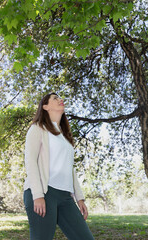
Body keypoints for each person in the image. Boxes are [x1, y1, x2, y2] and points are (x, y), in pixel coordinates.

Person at [23, 92, 94, 240]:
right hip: (44, 193)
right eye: (55, 98)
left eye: (61, 98)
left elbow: (70, 169)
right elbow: (31, 162)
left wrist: (79, 198)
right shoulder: (37, 128)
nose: (61, 100)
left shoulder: (64, 136)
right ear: (45, 106)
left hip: (65, 197)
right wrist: (38, 195)